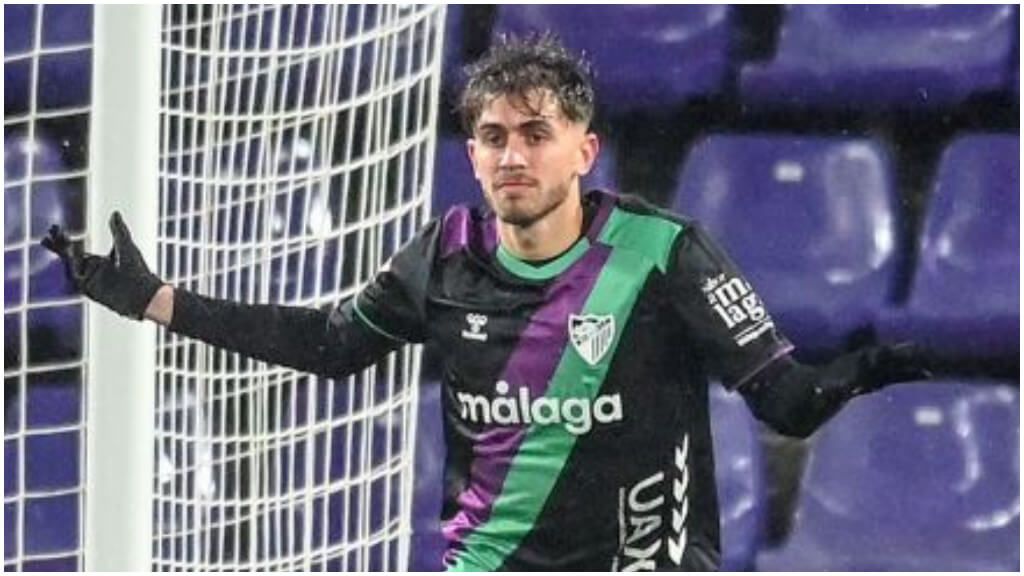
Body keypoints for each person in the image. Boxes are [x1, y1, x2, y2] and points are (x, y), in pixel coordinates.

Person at [43, 34, 930, 571]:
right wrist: (157, 299)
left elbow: (786, 404)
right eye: (493, 136)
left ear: (585, 151)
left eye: (536, 135)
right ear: (471, 155)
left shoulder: (662, 254)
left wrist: (873, 368)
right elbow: (329, 344)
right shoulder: (443, 258)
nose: (512, 156)